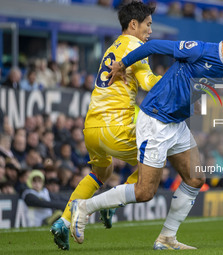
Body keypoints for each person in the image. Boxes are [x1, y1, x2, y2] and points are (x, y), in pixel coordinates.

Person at [70, 19, 223, 250]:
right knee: (145, 192)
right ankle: (83, 207)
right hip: (156, 119)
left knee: (195, 179)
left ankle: (166, 238)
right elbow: (152, 47)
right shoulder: (198, 50)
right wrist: (122, 64)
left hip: (176, 123)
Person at [50, 1, 161, 251]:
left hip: (91, 128)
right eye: (148, 25)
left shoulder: (114, 46)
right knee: (159, 157)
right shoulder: (135, 46)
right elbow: (149, 83)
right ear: (134, 24)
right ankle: (110, 203)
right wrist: (179, 79)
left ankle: (64, 221)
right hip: (114, 127)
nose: (150, 31)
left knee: (103, 173)